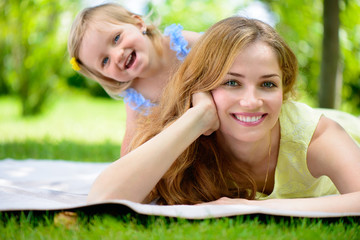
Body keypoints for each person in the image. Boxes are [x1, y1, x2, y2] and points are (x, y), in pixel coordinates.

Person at [87, 16, 360, 213]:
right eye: (231, 82)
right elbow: (105, 199)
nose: (251, 101)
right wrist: (198, 118)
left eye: (268, 84)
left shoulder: (317, 136)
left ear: (283, 88)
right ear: (201, 88)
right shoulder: (192, 137)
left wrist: (253, 207)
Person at [68, 3, 201, 156]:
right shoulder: (137, 94)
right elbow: (131, 139)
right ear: (106, 76)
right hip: (194, 143)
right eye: (105, 61)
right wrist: (126, 167)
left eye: (116, 38)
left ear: (139, 24)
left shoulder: (179, 43)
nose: (117, 55)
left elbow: (224, 51)